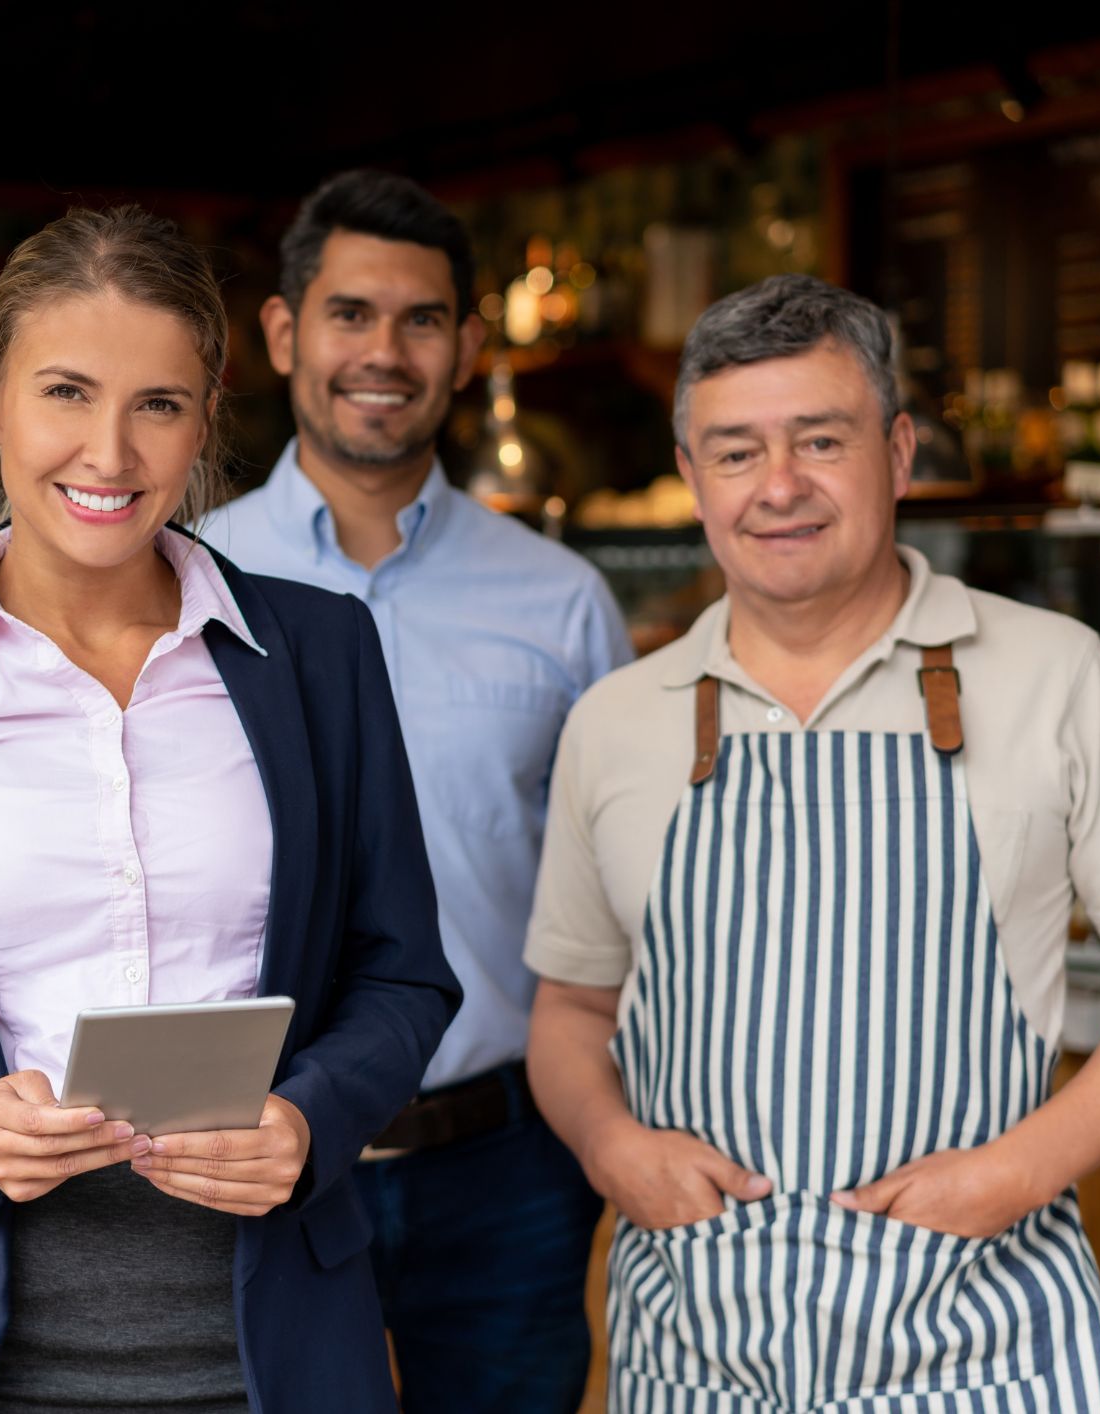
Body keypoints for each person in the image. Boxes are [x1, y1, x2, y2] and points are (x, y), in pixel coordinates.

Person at [0, 205, 460, 1414]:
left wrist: (305, 1119)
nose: (110, 452)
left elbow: (402, 976)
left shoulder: (323, 653)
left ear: (205, 415)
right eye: (67, 392)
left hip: (276, 1338)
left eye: (159, 404)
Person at [524, 273, 1100, 1411]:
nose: (778, 488)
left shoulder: (1050, 671)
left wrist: (1015, 1171)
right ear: (689, 477)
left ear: (898, 452)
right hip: (701, 1349)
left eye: (820, 439)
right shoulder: (613, 720)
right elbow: (569, 1009)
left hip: (981, 1341)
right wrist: (609, 1144)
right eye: (734, 451)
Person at [206, 168, 630, 1412]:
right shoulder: (183, 578)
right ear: (283, 333)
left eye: (420, 319)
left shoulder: (560, 601)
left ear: (465, 347)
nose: (381, 352)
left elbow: (615, 896)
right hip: (241, 1154)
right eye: (349, 313)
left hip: (499, 1166)